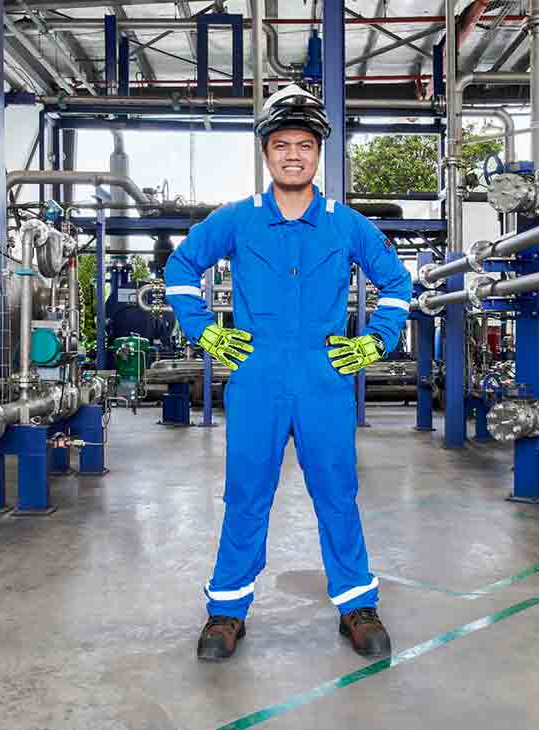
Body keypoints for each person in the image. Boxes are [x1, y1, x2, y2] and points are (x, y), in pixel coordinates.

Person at [164, 84, 412, 661]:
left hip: (325, 377)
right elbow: (180, 267)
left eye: (304, 144)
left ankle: (356, 604)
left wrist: (375, 342)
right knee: (246, 494)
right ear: (266, 152)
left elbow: (397, 284)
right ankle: (226, 610)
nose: (293, 154)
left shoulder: (345, 224)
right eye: (281, 145)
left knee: (337, 492)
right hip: (256, 376)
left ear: (319, 151)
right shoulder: (237, 221)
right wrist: (204, 331)